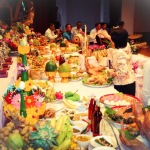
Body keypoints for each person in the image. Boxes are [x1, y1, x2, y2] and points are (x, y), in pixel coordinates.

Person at [108, 28, 136, 96]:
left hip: (123, 85)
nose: (111, 41)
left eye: (112, 40)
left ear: (116, 41)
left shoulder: (119, 53)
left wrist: (112, 74)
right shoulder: (127, 45)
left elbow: (123, 73)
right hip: (130, 82)